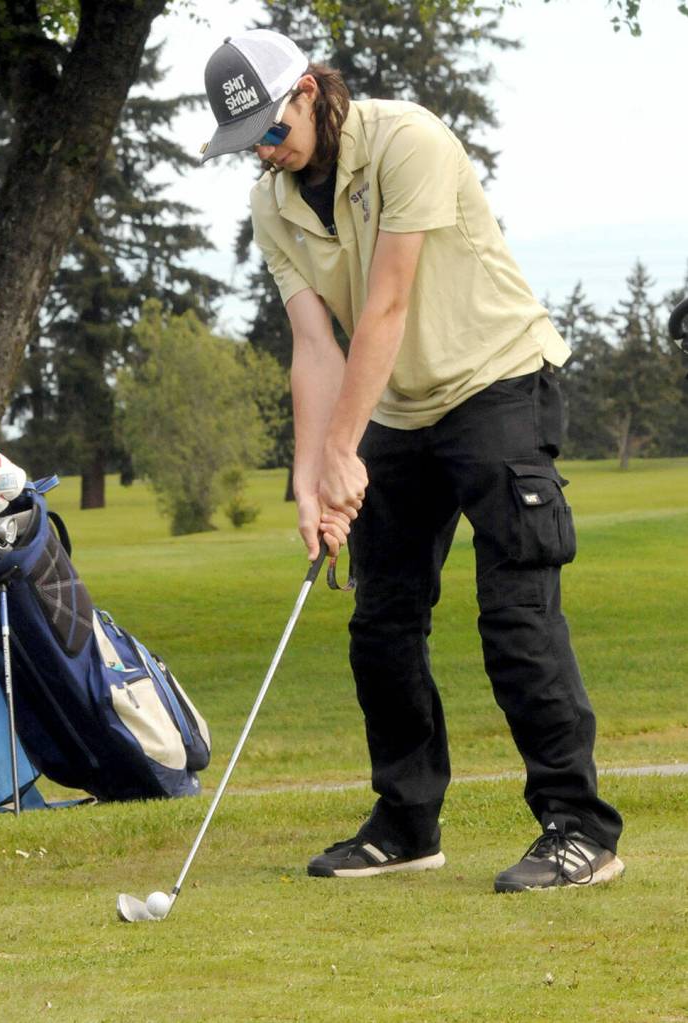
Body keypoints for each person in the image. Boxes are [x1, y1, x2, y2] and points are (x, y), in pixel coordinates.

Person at [199, 29, 624, 893]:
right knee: (381, 623)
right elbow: (315, 347)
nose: (267, 155)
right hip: (394, 401)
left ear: (310, 92)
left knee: (515, 617)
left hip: (496, 379)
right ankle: (406, 821)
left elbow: (386, 305)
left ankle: (579, 827)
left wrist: (346, 450)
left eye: (272, 133)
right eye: (248, 148)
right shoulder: (272, 206)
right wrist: (312, 480)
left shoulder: (409, 141)